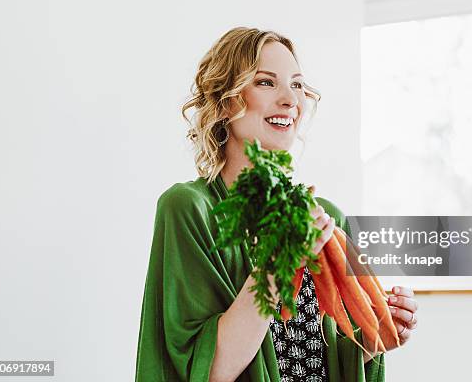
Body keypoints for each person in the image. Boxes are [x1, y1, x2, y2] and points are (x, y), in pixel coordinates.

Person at [135, 27, 418, 382]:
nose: (290, 99)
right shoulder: (190, 209)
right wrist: (277, 263)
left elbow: (322, 359)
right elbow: (208, 371)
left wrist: (376, 339)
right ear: (224, 102)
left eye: (297, 84)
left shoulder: (325, 217)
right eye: (266, 82)